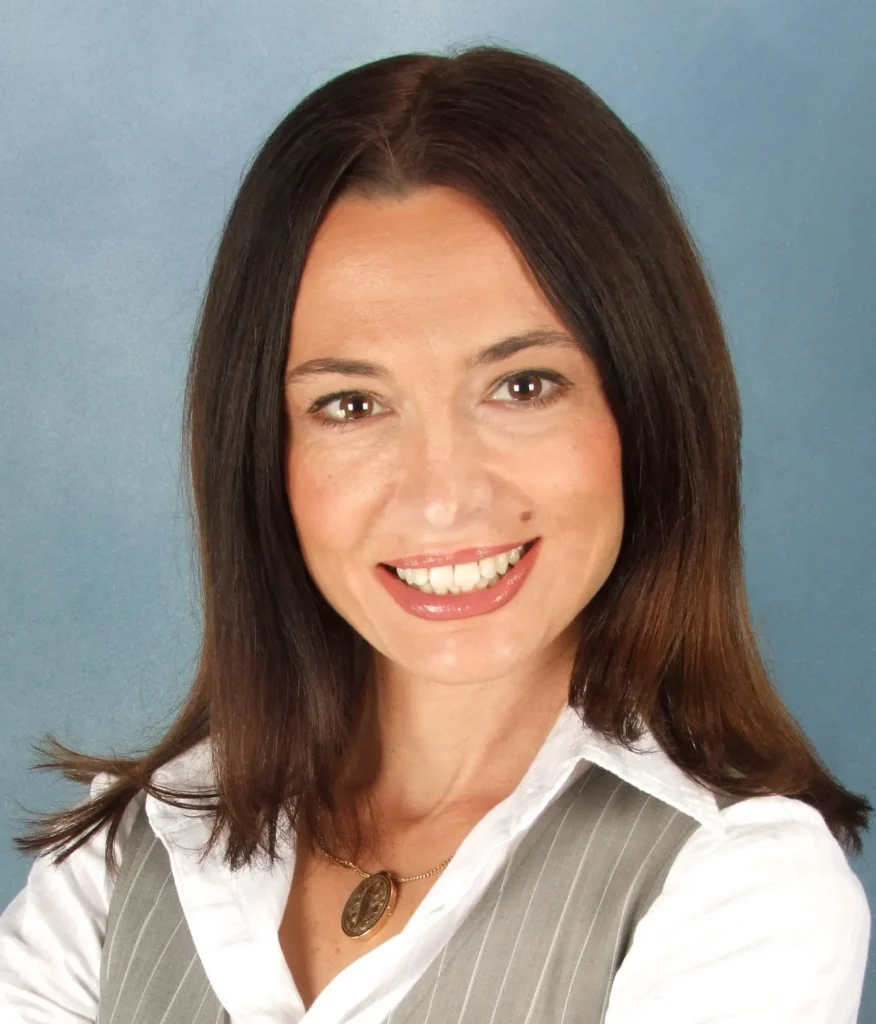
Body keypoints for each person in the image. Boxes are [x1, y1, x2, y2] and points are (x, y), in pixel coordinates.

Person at [0, 43, 871, 1024]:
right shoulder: (123, 857)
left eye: (523, 385)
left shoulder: (743, 888)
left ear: (646, 409)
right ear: (261, 453)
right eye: (351, 403)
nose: (442, 497)